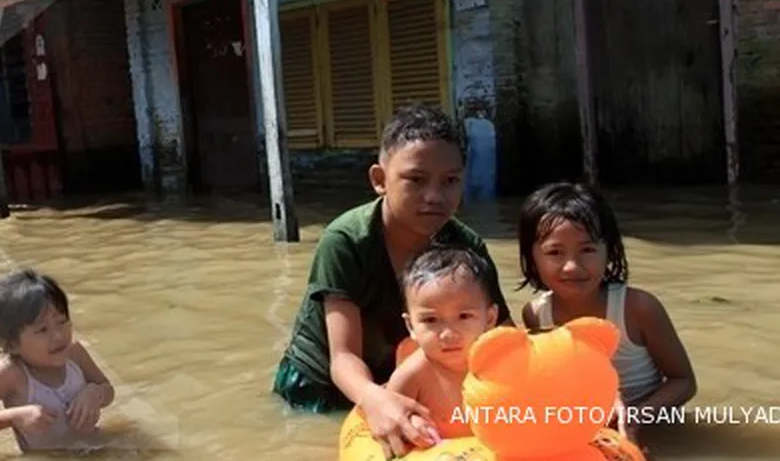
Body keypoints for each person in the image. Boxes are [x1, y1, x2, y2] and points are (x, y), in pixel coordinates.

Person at [272, 104, 512, 457]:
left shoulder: (466, 247)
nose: (435, 196)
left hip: (398, 372)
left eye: (450, 181)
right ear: (379, 180)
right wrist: (374, 398)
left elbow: (502, 336)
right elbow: (343, 356)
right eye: (416, 180)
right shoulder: (346, 242)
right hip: (322, 388)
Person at [518, 181, 696, 443]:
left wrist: (637, 417)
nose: (572, 266)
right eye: (555, 252)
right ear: (532, 258)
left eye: (587, 250)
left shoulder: (638, 308)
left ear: (609, 252)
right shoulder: (536, 314)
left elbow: (683, 382)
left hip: (651, 426)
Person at [0, 268, 115, 452]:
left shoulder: (75, 353)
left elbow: (107, 389)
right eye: (42, 330)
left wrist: (95, 393)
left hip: (94, 447)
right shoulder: (11, 373)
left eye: (62, 321)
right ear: (11, 344)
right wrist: (15, 417)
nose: (58, 335)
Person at [388, 244, 502, 445]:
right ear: (410, 325)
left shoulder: (503, 364)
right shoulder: (411, 377)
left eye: (464, 316)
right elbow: (390, 419)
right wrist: (412, 422)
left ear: (490, 318)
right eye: (431, 320)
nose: (448, 334)